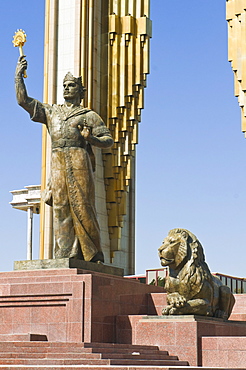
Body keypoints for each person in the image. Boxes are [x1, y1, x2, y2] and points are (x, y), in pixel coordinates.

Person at [15, 56, 113, 263]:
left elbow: (108, 140)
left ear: (80, 90)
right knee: (60, 207)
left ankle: (92, 254)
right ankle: (64, 254)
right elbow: (24, 101)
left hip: (79, 161)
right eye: (65, 85)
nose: (67, 89)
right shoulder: (52, 112)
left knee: (83, 206)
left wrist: (91, 138)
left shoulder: (88, 115)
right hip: (58, 161)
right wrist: (18, 77)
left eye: (71, 85)